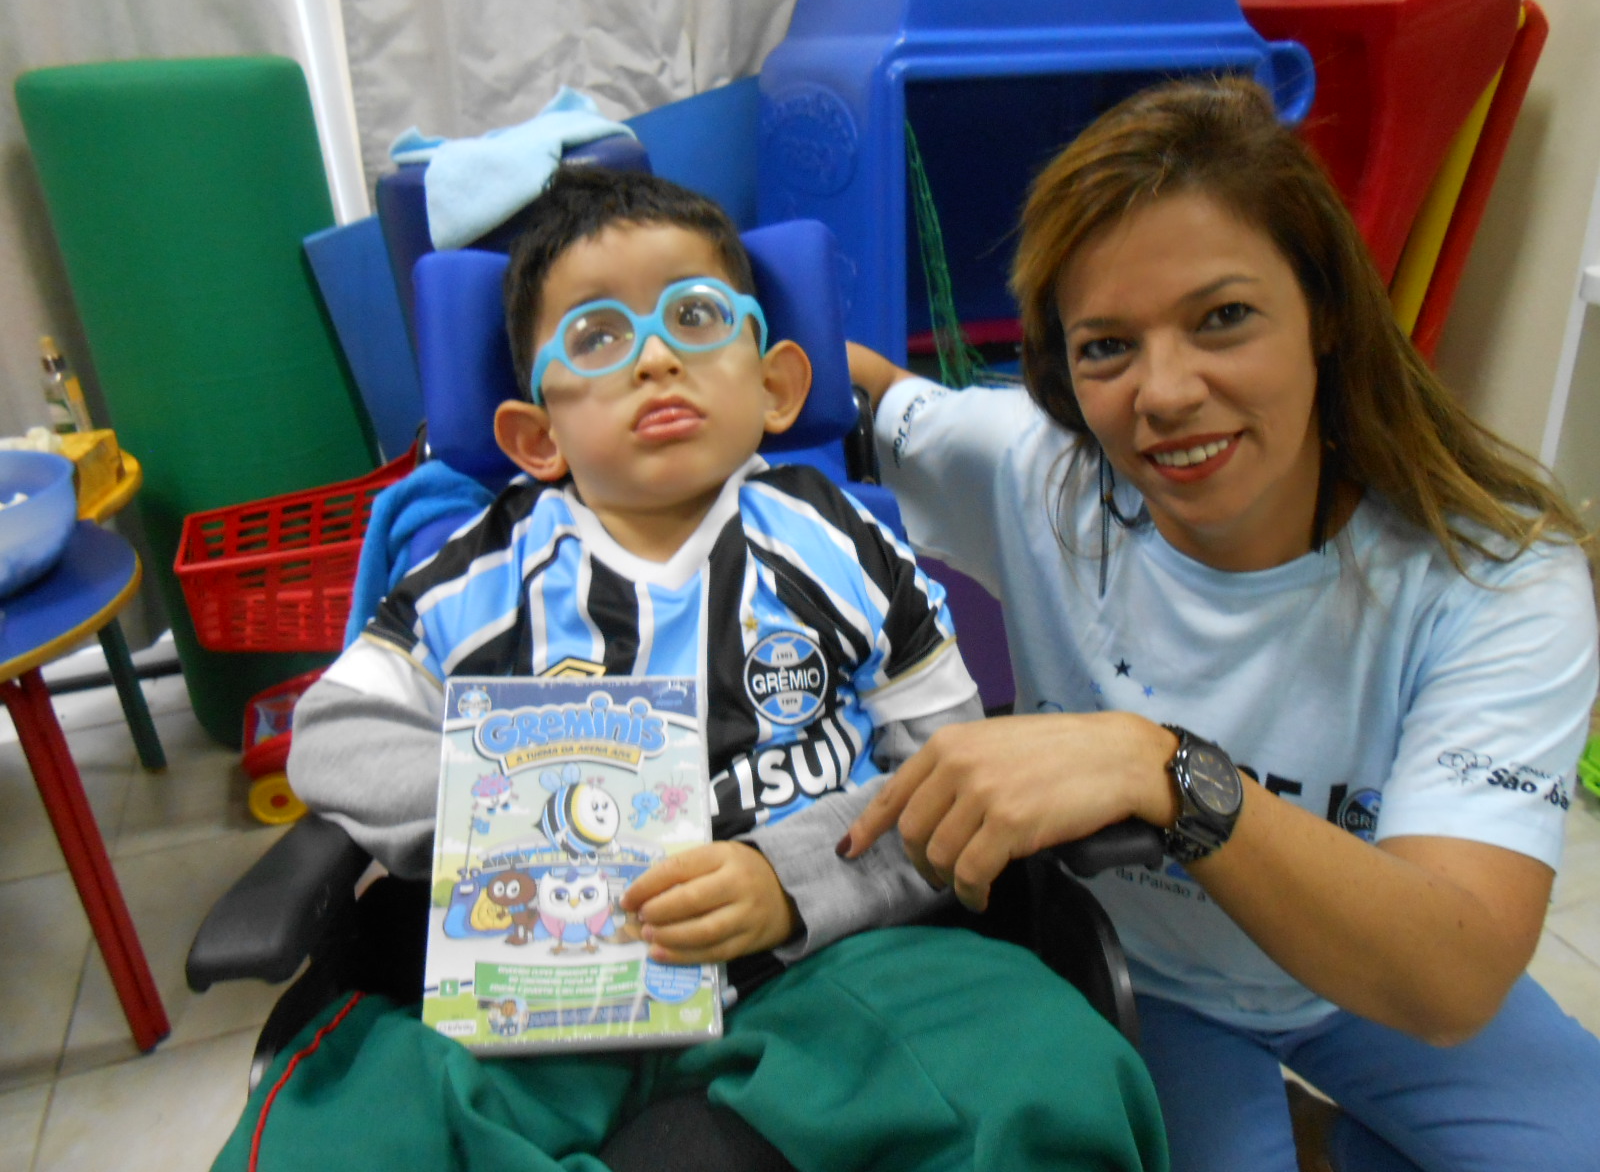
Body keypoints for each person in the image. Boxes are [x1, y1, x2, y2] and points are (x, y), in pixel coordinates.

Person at [211, 166, 1167, 1172]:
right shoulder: (469, 581)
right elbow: (333, 734)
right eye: (596, 337)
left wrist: (789, 881)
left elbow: (957, 775)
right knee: (348, 1127)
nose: (656, 356)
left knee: (1039, 1070)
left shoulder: (843, 547)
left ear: (775, 386)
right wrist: (506, 810)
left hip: (835, 962)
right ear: (535, 436)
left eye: (696, 315)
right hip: (543, 988)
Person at [842, 77, 1600, 1172]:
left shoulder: (1494, 574)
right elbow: (855, 393)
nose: (1164, 393)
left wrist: (1164, 770)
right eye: (1104, 346)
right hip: (1136, 968)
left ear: (1326, 312)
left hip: (1362, 970)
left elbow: (1453, 974)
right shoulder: (1034, 464)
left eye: (1223, 318)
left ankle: (1334, 1135)